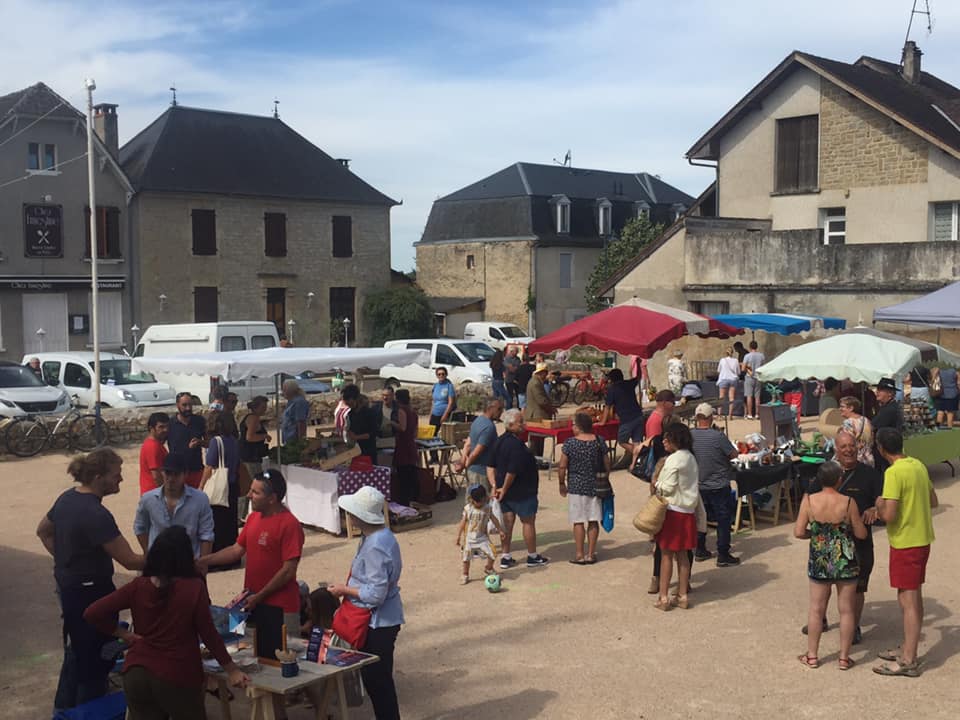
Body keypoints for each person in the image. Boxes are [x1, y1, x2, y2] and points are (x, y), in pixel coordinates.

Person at [83, 526, 249, 719]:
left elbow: (92, 613)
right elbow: (208, 634)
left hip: (137, 672)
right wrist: (232, 670)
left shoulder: (138, 586)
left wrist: (125, 635)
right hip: (177, 673)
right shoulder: (193, 588)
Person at [36, 449, 145, 712]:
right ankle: (90, 712)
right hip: (92, 593)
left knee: (76, 653)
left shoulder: (66, 499)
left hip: (70, 587)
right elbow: (129, 560)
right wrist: (168, 556)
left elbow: (43, 531)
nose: (120, 480)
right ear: (98, 477)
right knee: (95, 663)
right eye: (116, 475)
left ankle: (63, 711)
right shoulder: (96, 515)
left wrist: (66, 561)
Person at [329, 487, 404, 720]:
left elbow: (375, 595)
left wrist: (344, 589)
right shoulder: (380, 537)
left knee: (378, 682)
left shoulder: (375, 545)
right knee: (378, 681)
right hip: (382, 619)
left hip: (377, 623)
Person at [199, 470, 305, 633]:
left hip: (281, 608)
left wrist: (260, 596)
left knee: (282, 655)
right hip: (251, 603)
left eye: (255, 492)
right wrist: (204, 560)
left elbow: (288, 571)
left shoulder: (290, 524)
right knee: (244, 650)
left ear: (272, 498)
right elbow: (236, 550)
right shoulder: (253, 518)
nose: (248, 495)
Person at [802, 430, 882, 643]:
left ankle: (854, 625)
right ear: (836, 449)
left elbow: (883, 500)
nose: (848, 450)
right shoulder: (827, 473)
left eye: (852, 446)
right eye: (844, 446)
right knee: (824, 584)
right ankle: (821, 619)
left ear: (858, 447)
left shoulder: (870, 474)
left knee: (857, 588)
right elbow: (808, 497)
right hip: (829, 546)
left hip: (860, 543)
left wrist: (875, 508)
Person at [873, 428, 938, 677]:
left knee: (908, 601)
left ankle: (909, 659)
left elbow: (888, 515)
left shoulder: (893, 473)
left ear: (881, 449)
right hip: (921, 539)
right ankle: (907, 647)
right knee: (910, 597)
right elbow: (933, 501)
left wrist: (879, 504)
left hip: (905, 542)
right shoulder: (918, 465)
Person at [794, 461, 868, 670]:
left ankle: (812, 655)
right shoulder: (848, 502)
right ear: (839, 480)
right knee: (846, 610)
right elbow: (861, 533)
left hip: (820, 560)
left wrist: (817, 535)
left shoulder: (809, 500)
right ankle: (844, 658)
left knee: (816, 609)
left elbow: (799, 531)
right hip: (845, 559)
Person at [487, 409, 549, 569]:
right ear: (511, 425)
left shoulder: (499, 441)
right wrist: (504, 489)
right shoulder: (516, 446)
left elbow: (490, 466)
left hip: (504, 492)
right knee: (528, 522)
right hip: (521, 491)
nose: (524, 425)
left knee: (507, 523)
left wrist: (495, 486)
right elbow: (512, 472)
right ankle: (532, 555)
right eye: (520, 422)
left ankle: (506, 556)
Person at [652, 423, 700, 611]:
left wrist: (656, 484)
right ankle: (683, 594)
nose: (664, 441)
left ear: (674, 440)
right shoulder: (691, 458)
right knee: (683, 555)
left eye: (667, 438)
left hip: (673, 511)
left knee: (665, 554)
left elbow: (668, 486)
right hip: (687, 511)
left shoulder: (674, 459)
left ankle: (663, 597)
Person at [134, 453, 214, 557]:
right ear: (162, 473)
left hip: (188, 562)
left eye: (176, 474)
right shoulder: (148, 499)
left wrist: (203, 563)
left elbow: (206, 534)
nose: (171, 479)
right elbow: (140, 527)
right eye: (168, 473)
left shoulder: (200, 500)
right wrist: (148, 552)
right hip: (159, 562)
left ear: (185, 474)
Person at [558, 411, 610, 565]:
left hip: (576, 486)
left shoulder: (570, 444)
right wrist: (605, 477)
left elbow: (562, 466)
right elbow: (607, 463)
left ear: (579, 427)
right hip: (595, 486)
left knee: (578, 521)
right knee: (593, 520)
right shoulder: (599, 441)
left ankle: (579, 554)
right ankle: (591, 554)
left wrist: (561, 483)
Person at [690, 404, 740, 566]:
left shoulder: (690, 436)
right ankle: (723, 554)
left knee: (700, 518)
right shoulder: (717, 436)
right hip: (718, 485)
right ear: (710, 417)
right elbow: (734, 454)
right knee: (723, 519)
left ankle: (700, 549)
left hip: (699, 485)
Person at [200, 410, 241, 553]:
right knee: (230, 523)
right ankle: (232, 555)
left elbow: (209, 467)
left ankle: (218, 556)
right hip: (232, 484)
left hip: (220, 486)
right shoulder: (234, 441)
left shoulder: (216, 442)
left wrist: (201, 486)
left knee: (218, 523)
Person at [455, 484, 505, 584]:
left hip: (483, 538)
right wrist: (458, 536)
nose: (481, 503)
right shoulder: (468, 509)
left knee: (493, 553)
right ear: (472, 500)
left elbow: (494, 519)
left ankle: (489, 568)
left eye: (483, 500)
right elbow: (463, 522)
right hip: (469, 539)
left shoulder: (487, 508)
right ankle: (465, 574)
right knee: (466, 558)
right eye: (478, 502)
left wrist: (500, 530)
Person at [455, 398, 503, 490]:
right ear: (491, 408)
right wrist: (466, 464)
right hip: (482, 472)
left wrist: (462, 461)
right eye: (499, 409)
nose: (501, 412)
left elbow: (468, 444)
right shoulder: (489, 427)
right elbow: (477, 451)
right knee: (482, 502)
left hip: (472, 471)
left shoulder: (478, 421)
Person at [601, 368, 646, 465]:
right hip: (638, 415)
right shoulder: (628, 384)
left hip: (627, 419)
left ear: (611, 379)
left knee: (622, 441)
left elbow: (607, 407)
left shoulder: (612, 390)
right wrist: (638, 365)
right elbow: (638, 377)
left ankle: (639, 453)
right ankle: (634, 465)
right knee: (636, 441)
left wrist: (603, 422)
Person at [239, 395, 270, 521]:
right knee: (253, 486)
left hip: (246, 456)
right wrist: (264, 436)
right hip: (250, 457)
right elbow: (249, 437)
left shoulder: (249, 417)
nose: (265, 409)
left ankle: (242, 515)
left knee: (247, 485)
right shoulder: (253, 419)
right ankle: (242, 515)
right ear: (257, 407)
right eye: (263, 407)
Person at [166, 392, 206, 489]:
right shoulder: (169, 424)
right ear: (177, 405)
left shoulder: (199, 421)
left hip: (196, 470)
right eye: (184, 405)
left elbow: (209, 443)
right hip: (177, 471)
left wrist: (200, 442)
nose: (188, 408)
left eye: (190, 405)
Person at [392, 388, 419, 506]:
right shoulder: (413, 412)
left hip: (403, 445)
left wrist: (391, 422)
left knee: (404, 475)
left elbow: (402, 427)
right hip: (411, 444)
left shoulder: (401, 410)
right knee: (411, 474)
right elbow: (415, 432)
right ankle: (413, 499)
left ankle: (405, 501)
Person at [523, 362, 555, 457]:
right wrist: (551, 408)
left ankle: (537, 459)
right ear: (542, 373)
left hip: (536, 414)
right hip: (537, 415)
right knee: (536, 440)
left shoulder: (535, 381)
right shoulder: (535, 383)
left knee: (538, 439)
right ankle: (536, 459)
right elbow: (541, 400)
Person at [871, 378, 902, 474]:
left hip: (886, 449)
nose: (877, 392)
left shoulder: (889, 409)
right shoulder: (887, 407)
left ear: (890, 393)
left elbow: (873, 426)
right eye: (878, 389)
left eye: (880, 390)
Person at [343, 384, 379, 462]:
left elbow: (374, 433)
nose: (349, 406)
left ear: (356, 399)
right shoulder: (350, 414)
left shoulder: (369, 413)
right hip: (355, 452)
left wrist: (357, 437)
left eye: (351, 403)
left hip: (368, 451)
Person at [139, 412, 170, 496]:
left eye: (167, 426)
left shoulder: (154, 444)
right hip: (154, 494)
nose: (165, 430)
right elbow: (156, 476)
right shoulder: (152, 446)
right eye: (161, 427)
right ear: (151, 428)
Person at [839, 395, 873, 467]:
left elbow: (846, 444)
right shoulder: (866, 420)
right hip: (869, 459)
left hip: (855, 460)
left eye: (842, 407)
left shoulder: (848, 423)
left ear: (851, 408)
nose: (840, 409)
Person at [429, 367, 457, 440]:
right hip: (435, 414)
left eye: (443, 374)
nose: (441, 376)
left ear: (446, 375)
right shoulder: (435, 386)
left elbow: (451, 402)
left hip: (444, 413)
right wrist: (431, 414)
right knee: (432, 435)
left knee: (445, 437)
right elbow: (433, 401)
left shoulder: (449, 386)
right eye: (439, 374)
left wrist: (445, 415)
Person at [741, 341, 766, 419]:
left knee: (749, 396)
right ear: (757, 347)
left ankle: (750, 414)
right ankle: (757, 414)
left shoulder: (747, 356)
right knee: (757, 397)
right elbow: (763, 367)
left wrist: (748, 370)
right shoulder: (761, 356)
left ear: (750, 347)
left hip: (749, 377)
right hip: (758, 377)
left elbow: (743, 368)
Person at [281, 378, 310, 443]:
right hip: (288, 438)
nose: (283, 392)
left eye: (284, 390)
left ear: (289, 390)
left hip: (294, 439)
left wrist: (301, 441)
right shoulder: (290, 402)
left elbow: (301, 422)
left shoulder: (299, 402)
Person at [371, 386, 399, 450]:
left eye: (387, 395)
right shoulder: (376, 408)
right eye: (383, 395)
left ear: (392, 396)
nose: (385, 397)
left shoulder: (398, 409)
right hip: (379, 441)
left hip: (394, 442)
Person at [717, 347, 740, 420]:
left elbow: (718, 370)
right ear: (732, 353)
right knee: (731, 398)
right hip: (733, 379)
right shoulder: (736, 361)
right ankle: (730, 415)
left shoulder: (722, 360)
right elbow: (738, 372)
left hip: (724, 378)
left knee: (721, 397)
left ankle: (719, 415)